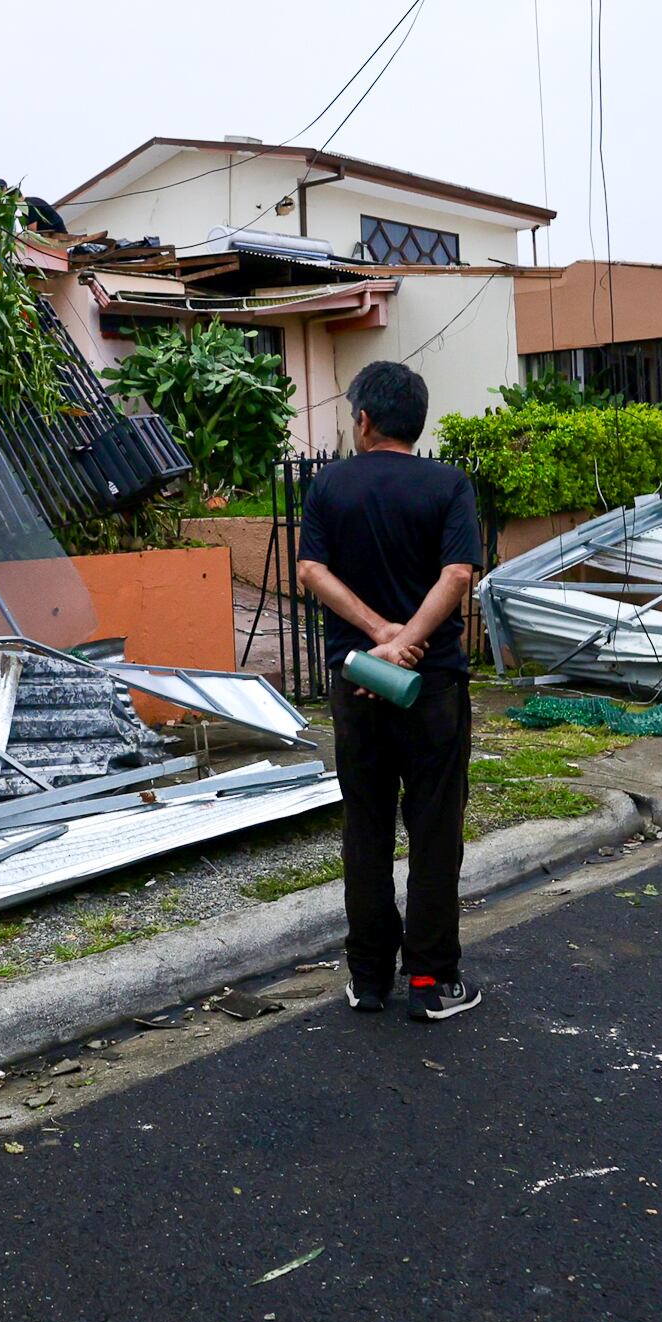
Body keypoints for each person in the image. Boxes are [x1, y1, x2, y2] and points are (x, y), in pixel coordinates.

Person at [296, 359, 488, 1022]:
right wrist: (409, 640)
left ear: (364, 420)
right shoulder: (449, 484)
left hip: (358, 679)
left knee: (366, 826)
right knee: (435, 830)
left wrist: (378, 636)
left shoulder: (328, 485)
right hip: (432, 684)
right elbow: (457, 574)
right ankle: (432, 981)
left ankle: (369, 977)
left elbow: (311, 570)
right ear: (417, 422)